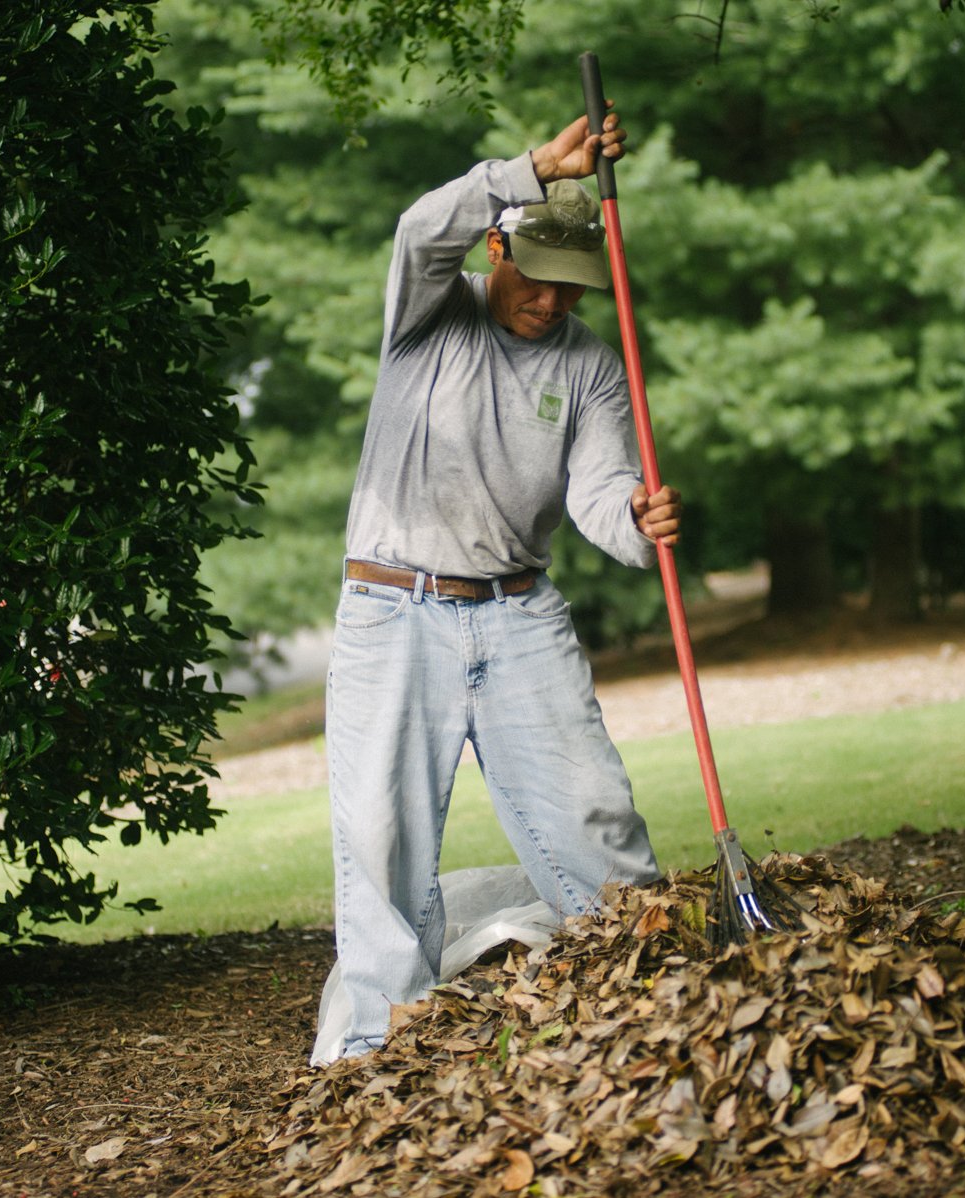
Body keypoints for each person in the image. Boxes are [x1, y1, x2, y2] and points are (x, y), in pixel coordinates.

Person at [320, 105, 682, 1062]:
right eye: (541, 280)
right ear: (499, 248)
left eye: (575, 288)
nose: (554, 303)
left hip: (519, 613)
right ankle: (373, 1051)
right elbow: (415, 229)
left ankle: (658, 1007)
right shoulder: (430, 313)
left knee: (597, 818)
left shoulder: (592, 366)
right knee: (380, 836)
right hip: (393, 608)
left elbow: (600, 490)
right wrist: (527, 167)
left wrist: (637, 522)